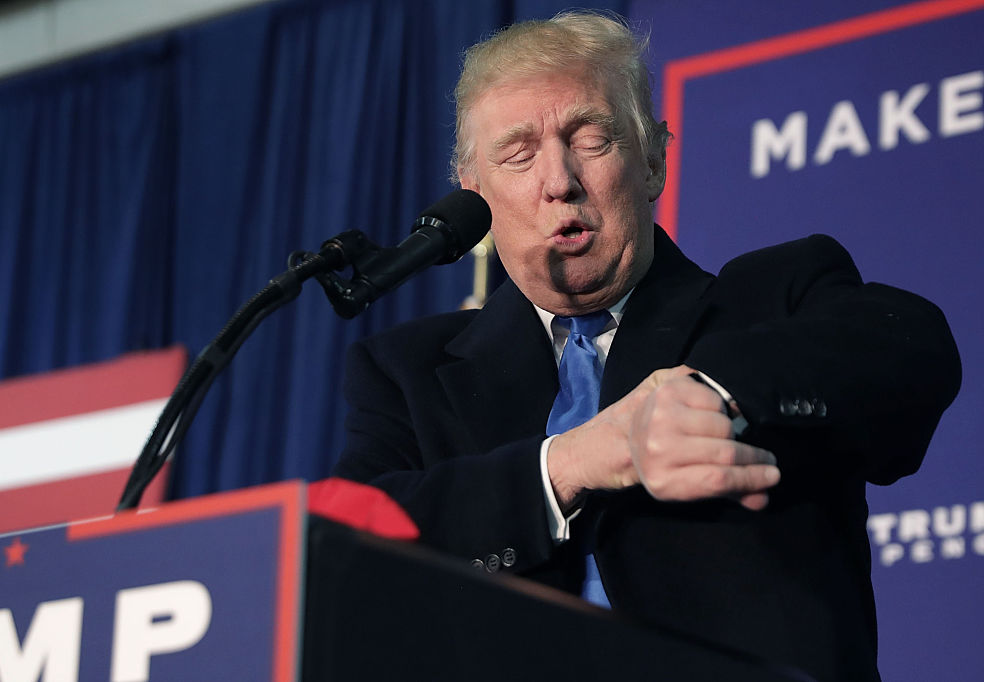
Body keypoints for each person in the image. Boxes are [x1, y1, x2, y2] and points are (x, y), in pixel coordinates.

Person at [333, 11, 960, 682]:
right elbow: (356, 550)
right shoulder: (408, 370)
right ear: (475, 196)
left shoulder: (774, 296)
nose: (558, 181)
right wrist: (570, 463)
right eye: (518, 154)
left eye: (591, 138)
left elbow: (910, 348)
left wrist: (709, 390)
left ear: (653, 160)